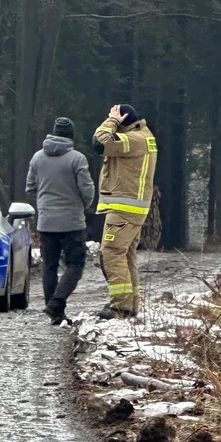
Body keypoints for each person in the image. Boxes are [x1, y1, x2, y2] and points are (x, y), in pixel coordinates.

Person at [25, 117, 95, 325]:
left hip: (46, 222)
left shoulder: (37, 158)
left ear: (52, 133)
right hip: (72, 222)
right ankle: (57, 303)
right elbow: (87, 189)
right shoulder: (77, 158)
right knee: (75, 264)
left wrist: (44, 201)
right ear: (71, 135)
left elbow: (30, 187)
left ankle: (54, 314)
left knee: (49, 266)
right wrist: (84, 205)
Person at [92, 103, 158, 320]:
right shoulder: (144, 136)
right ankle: (129, 305)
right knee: (126, 255)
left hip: (124, 208)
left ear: (123, 121)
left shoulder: (132, 140)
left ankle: (120, 306)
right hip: (133, 208)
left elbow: (99, 141)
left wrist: (111, 121)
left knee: (111, 252)